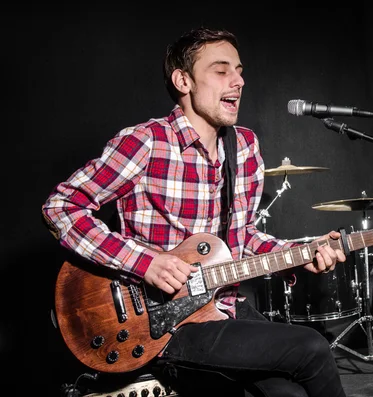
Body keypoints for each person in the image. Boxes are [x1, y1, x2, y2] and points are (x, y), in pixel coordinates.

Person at [42, 26, 347, 397]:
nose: (238, 81)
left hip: (221, 309)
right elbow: (61, 207)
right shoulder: (146, 142)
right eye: (221, 71)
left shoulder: (246, 146)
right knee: (311, 347)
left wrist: (300, 253)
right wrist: (145, 263)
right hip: (161, 325)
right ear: (183, 81)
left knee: (291, 392)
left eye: (239, 70)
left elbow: (243, 237)